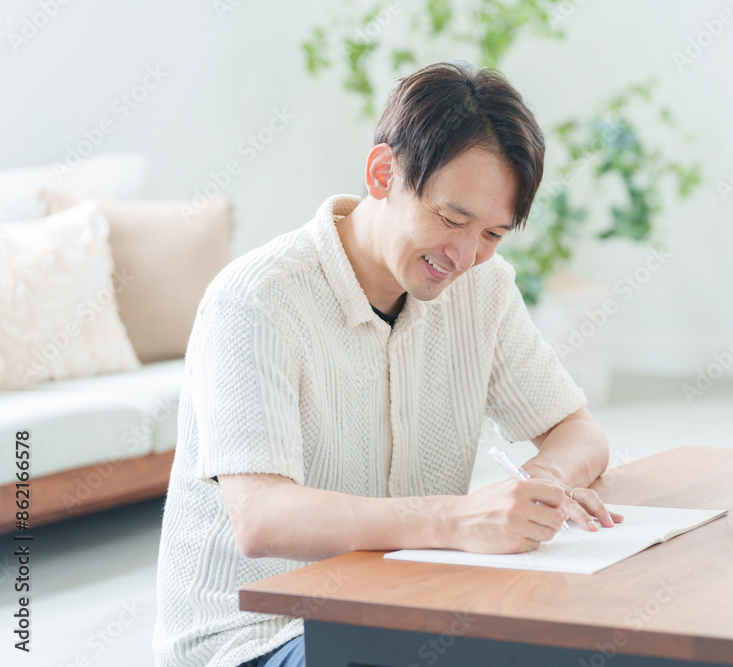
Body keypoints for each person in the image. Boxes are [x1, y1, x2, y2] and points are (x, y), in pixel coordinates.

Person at [153, 60, 623, 667]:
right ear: (383, 173)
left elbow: (577, 430)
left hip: (405, 607)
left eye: (492, 234)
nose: (464, 256)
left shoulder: (483, 289)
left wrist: (545, 486)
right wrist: (457, 520)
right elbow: (260, 517)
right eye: (451, 219)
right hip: (260, 637)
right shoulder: (257, 299)